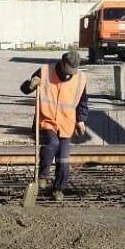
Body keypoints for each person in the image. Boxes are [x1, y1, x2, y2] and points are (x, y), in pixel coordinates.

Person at [20, 49, 89, 202]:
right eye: (68, 70)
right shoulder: (45, 71)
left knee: (63, 160)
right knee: (52, 143)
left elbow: (82, 101)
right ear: (62, 63)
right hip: (47, 120)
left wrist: (81, 120)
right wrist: (32, 84)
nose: (70, 74)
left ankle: (58, 189)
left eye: (73, 71)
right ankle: (42, 176)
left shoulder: (80, 78)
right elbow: (24, 89)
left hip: (66, 123)